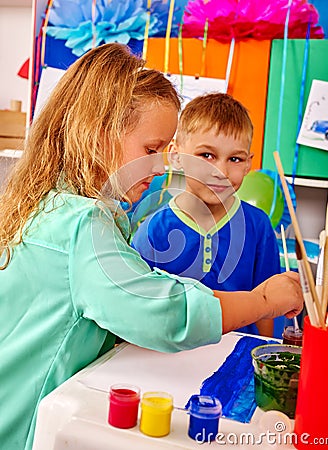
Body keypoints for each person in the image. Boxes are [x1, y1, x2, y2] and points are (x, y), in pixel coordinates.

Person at [0, 43, 302, 450]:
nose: (160, 166)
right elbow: (164, 312)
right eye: (150, 149)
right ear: (98, 134)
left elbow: (142, 285)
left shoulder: (51, 203)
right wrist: (262, 299)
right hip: (23, 424)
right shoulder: (81, 224)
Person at [132, 93, 281, 337]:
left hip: (239, 359)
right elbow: (138, 311)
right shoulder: (153, 231)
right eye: (207, 156)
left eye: (234, 158)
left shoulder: (258, 226)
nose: (220, 171)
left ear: (248, 164)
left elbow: (270, 307)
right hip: (169, 361)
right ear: (176, 156)